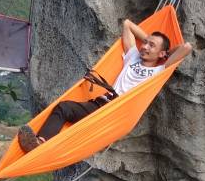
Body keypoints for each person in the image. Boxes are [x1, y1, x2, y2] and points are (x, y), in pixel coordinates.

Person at [18, 18, 193, 152]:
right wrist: (150, 41)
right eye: (145, 42)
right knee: (63, 108)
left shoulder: (159, 71)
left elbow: (186, 47)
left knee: (77, 123)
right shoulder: (132, 57)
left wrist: (165, 53)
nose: (145, 46)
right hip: (100, 104)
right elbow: (127, 24)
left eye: (151, 45)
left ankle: (44, 144)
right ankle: (40, 143)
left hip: (117, 110)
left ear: (162, 53)